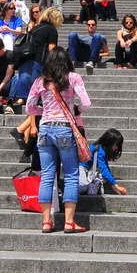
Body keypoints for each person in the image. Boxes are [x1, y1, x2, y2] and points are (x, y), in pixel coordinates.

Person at [25, 49, 91, 233]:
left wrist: (42, 112)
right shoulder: (74, 78)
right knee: (70, 175)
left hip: (45, 128)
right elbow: (86, 103)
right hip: (64, 128)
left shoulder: (41, 81)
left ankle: (47, 222)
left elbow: (29, 107)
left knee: (47, 176)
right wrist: (75, 110)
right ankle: (69, 222)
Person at [7, 8, 63, 109]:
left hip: (25, 57)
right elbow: (52, 49)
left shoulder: (35, 28)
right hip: (38, 59)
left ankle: (21, 100)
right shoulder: (51, 30)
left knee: (24, 78)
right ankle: (37, 101)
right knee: (39, 81)